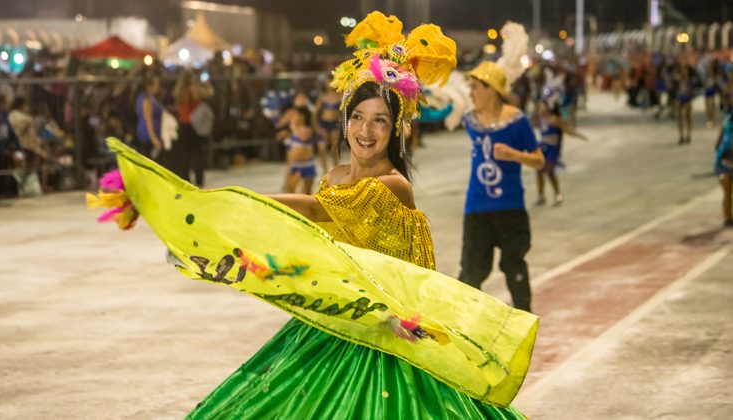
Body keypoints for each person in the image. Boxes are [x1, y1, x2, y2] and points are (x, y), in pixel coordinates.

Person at [90, 12, 537, 419]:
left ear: (397, 129)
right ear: (344, 120)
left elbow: (314, 208)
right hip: (340, 320)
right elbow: (305, 236)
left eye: (381, 120)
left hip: (393, 334)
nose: (366, 130)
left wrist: (223, 197)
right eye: (358, 116)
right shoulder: (335, 174)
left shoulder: (393, 185)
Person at [458, 32, 545, 313]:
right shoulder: (469, 118)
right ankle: (468, 329)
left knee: (514, 266)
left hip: (510, 207)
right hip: (477, 207)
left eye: (476, 87)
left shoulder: (517, 121)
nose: (470, 93)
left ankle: (524, 321)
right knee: (470, 273)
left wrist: (514, 155)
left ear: (492, 89)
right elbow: (435, 111)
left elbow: (539, 161)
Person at [534, 95, 588, 206]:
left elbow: (568, 130)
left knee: (549, 172)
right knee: (539, 171)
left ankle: (558, 194)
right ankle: (541, 196)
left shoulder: (556, 120)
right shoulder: (540, 118)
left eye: (542, 105)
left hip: (552, 150)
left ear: (549, 107)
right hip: (542, 147)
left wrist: (580, 136)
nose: (540, 107)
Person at [282, 106, 318, 194]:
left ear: (303, 116)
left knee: (307, 193)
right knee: (289, 190)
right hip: (295, 164)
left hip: (307, 164)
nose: (294, 117)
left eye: (296, 114)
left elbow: (303, 137)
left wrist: (292, 124)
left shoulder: (307, 129)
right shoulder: (294, 128)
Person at [314, 81, 342, 172]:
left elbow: (343, 113)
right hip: (323, 124)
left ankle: (336, 169)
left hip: (334, 124)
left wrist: (341, 125)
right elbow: (314, 113)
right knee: (322, 148)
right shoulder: (322, 97)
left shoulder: (340, 96)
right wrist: (317, 127)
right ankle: (325, 171)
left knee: (334, 148)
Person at [135, 74, 163, 158]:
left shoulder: (147, 97)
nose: (158, 87)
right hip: (148, 135)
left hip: (147, 133)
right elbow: (148, 120)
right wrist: (153, 138)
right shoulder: (146, 99)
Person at [715, 111, 733, 228]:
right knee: (727, 193)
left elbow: (717, 145)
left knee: (727, 193)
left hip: (722, 161)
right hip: (724, 162)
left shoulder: (726, 122)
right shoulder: (726, 123)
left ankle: (728, 219)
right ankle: (728, 218)